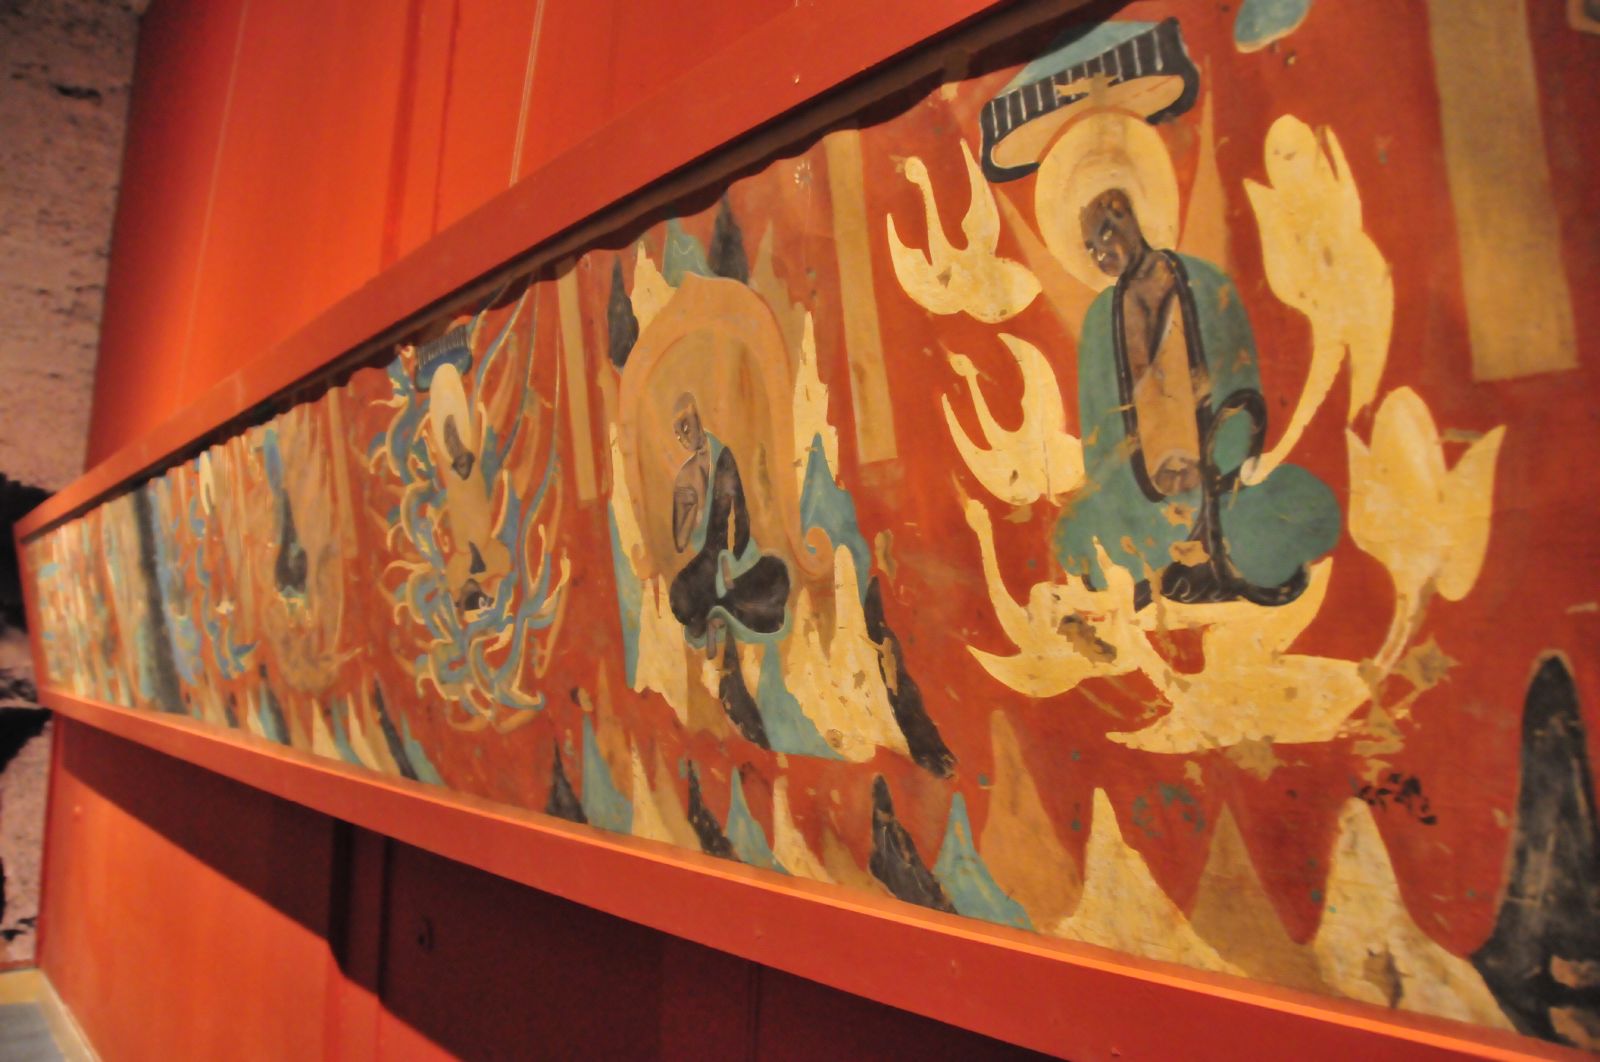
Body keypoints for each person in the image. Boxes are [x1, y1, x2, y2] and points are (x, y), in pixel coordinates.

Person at [1054, 187, 1340, 608]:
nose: (1101, 256)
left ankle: (1206, 552)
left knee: (1302, 507)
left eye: (1105, 237)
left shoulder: (1205, 283)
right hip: (1137, 493)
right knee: (1074, 533)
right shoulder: (1100, 319)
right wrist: (1138, 478)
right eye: (1090, 249)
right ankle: (1170, 561)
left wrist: (1212, 465)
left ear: (1127, 218)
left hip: (1217, 477)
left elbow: (1244, 385)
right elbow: (1097, 428)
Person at [666, 394, 790, 653]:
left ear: (699, 419)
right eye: (678, 434)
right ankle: (721, 611)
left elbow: (739, 517)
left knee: (777, 573)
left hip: (736, 558)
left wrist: (729, 561)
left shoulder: (722, 456)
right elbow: (680, 542)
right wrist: (690, 510)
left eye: (686, 427)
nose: (684, 438)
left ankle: (716, 613)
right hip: (706, 562)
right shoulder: (686, 476)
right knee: (680, 597)